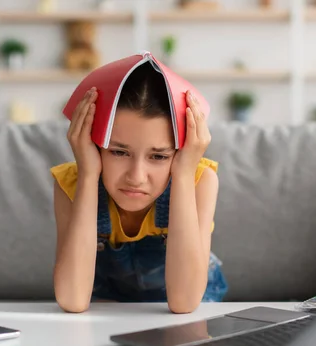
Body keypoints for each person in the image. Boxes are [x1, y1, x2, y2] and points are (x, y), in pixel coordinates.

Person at [50, 62, 228, 314]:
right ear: (94, 144)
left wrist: (184, 175)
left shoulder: (200, 181)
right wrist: (89, 175)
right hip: (111, 306)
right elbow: (72, 299)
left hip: (192, 304)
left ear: (180, 153)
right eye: (119, 152)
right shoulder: (71, 183)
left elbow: (185, 303)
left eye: (158, 157)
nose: (136, 177)